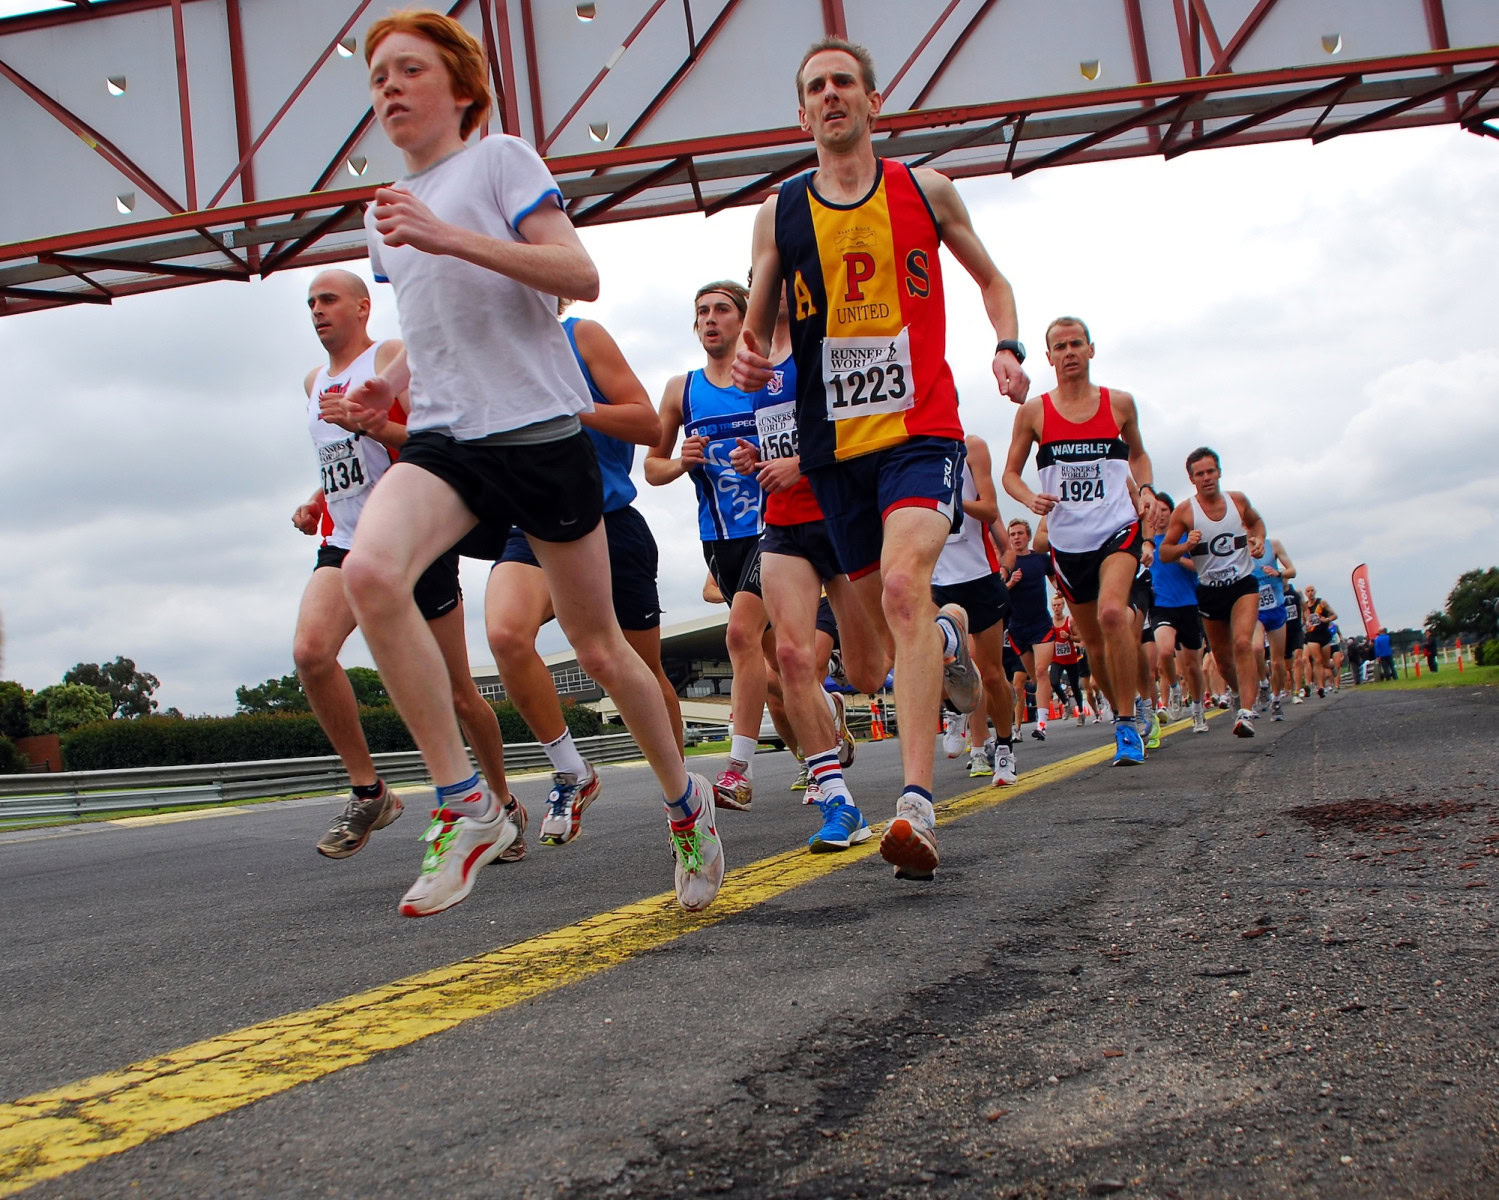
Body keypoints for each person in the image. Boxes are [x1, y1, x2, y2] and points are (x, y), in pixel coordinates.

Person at [342, 11, 719, 918]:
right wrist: (377, 384)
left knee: (601, 648)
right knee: (369, 572)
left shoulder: (501, 159)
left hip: (538, 433)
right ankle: (466, 803)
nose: (387, 88)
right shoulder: (381, 215)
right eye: (376, 77)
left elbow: (575, 276)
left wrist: (446, 234)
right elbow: (421, 323)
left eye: (408, 71)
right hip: (447, 436)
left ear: (462, 89)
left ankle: (685, 804)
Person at [733, 36, 1025, 882]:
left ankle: (916, 807)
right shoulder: (779, 211)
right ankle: (941, 633)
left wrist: (1004, 344)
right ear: (801, 112)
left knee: (901, 583)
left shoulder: (924, 191)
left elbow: (991, 279)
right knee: (866, 665)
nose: (830, 97)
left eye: (843, 84)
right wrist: (753, 354)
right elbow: (759, 315)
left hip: (918, 432)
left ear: (872, 101)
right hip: (833, 454)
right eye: (815, 88)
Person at [293, 269, 514, 862]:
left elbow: (429, 438)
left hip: (412, 539)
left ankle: (500, 801)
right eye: (310, 302)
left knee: (457, 691)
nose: (317, 310)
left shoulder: (389, 357)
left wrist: (370, 421)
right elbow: (337, 458)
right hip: (344, 542)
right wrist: (317, 499)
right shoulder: (313, 382)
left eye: (329, 299)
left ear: (363, 307)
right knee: (311, 653)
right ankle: (370, 791)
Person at [486, 301, 675, 847]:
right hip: (532, 527)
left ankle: (680, 796)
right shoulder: (488, 350)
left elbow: (647, 423)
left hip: (608, 521)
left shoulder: (582, 335)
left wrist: (570, 407)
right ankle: (571, 769)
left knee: (637, 666)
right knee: (505, 634)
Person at [727, 279, 870, 849]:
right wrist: (759, 460)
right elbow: (783, 435)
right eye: (768, 277)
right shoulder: (755, 362)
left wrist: (803, 463)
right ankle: (839, 804)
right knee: (789, 655)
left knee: (866, 670)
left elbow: (865, 430)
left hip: (844, 513)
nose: (777, 287)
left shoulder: (831, 338)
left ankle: (945, 634)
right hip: (784, 524)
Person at [1003, 317, 1154, 766]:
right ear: (1048, 358)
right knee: (1094, 641)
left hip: (1117, 530)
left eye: (1076, 344)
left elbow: (1140, 453)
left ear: (1091, 349)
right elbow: (1010, 474)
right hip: (1069, 544)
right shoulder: (1033, 412)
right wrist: (1031, 497)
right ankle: (1124, 709)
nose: (1068, 352)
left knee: (1113, 613)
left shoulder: (1120, 404)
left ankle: (1127, 724)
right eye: (1059, 346)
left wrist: (1144, 490)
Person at [649, 281, 770, 813]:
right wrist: (682, 461)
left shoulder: (766, 379)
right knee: (770, 665)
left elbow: (805, 444)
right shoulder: (682, 389)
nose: (710, 319)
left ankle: (738, 772)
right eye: (702, 312)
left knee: (740, 635)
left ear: (743, 319)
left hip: (776, 529)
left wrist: (762, 456)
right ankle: (827, 722)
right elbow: (652, 468)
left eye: (722, 309)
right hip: (718, 539)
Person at [931, 434, 1019, 786]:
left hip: (978, 576)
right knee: (933, 657)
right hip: (937, 580)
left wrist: (953, 501)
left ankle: (1005, 749)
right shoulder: (914, 449)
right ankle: (954, 712)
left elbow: (990, 509)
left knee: (993, 674)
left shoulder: (972, 447)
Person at [1160, 448, 1266, 738]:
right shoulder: (1185, 511)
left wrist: (1258, 539)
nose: (1206, 478)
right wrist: (1186, 546)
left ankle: (1246, 712)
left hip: (1243, 584)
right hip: (1209, 590)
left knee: (1243, 643)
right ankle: (1236, 692)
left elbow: (1256, 522)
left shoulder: (1238, 501)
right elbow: (1165, 551)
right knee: (1221, 659)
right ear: (1192, 479)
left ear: (1219, 472)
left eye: (1210, 471)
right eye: (1200, 474)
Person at [1002, 518, 1057, 740]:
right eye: (1012, 534)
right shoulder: (1006, 562)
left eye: (1019, 533)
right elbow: (997, 593)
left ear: (1027, 535)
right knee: (1033, 677)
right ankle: (1043, 703)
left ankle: (1041, 723)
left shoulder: (1040, 559)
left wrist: (1060, 591)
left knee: (1043, 671)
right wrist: (1011, 583)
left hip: (1041, 624)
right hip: (1017, 628)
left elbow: (1055, 580)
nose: (1016, 537)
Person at [1250, 535, 1296, 720]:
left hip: (1276, 607)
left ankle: (1276, 699)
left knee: (1278, 662)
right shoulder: (1238, 549)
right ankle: (1263, 684)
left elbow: (1292, 571)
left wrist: (1279, 573)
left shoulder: (1273, 545)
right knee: (1256, 648)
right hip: (1254, 609)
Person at [1302, 585, 1339, 695]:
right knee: (1317, 660)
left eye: (1312, 590)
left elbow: (1335, 615)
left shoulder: (1322, 603)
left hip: (1324, 635)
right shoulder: (1304, 607)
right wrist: (1305, 625)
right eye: (1308, 591)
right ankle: (1320, 687)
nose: (1310, 593)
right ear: (1305, 593)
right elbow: (1303, 620)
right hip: (1312, 636)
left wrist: (1326, 619)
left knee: (1325, 662)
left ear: (1315, 591)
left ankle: (1332, 666)